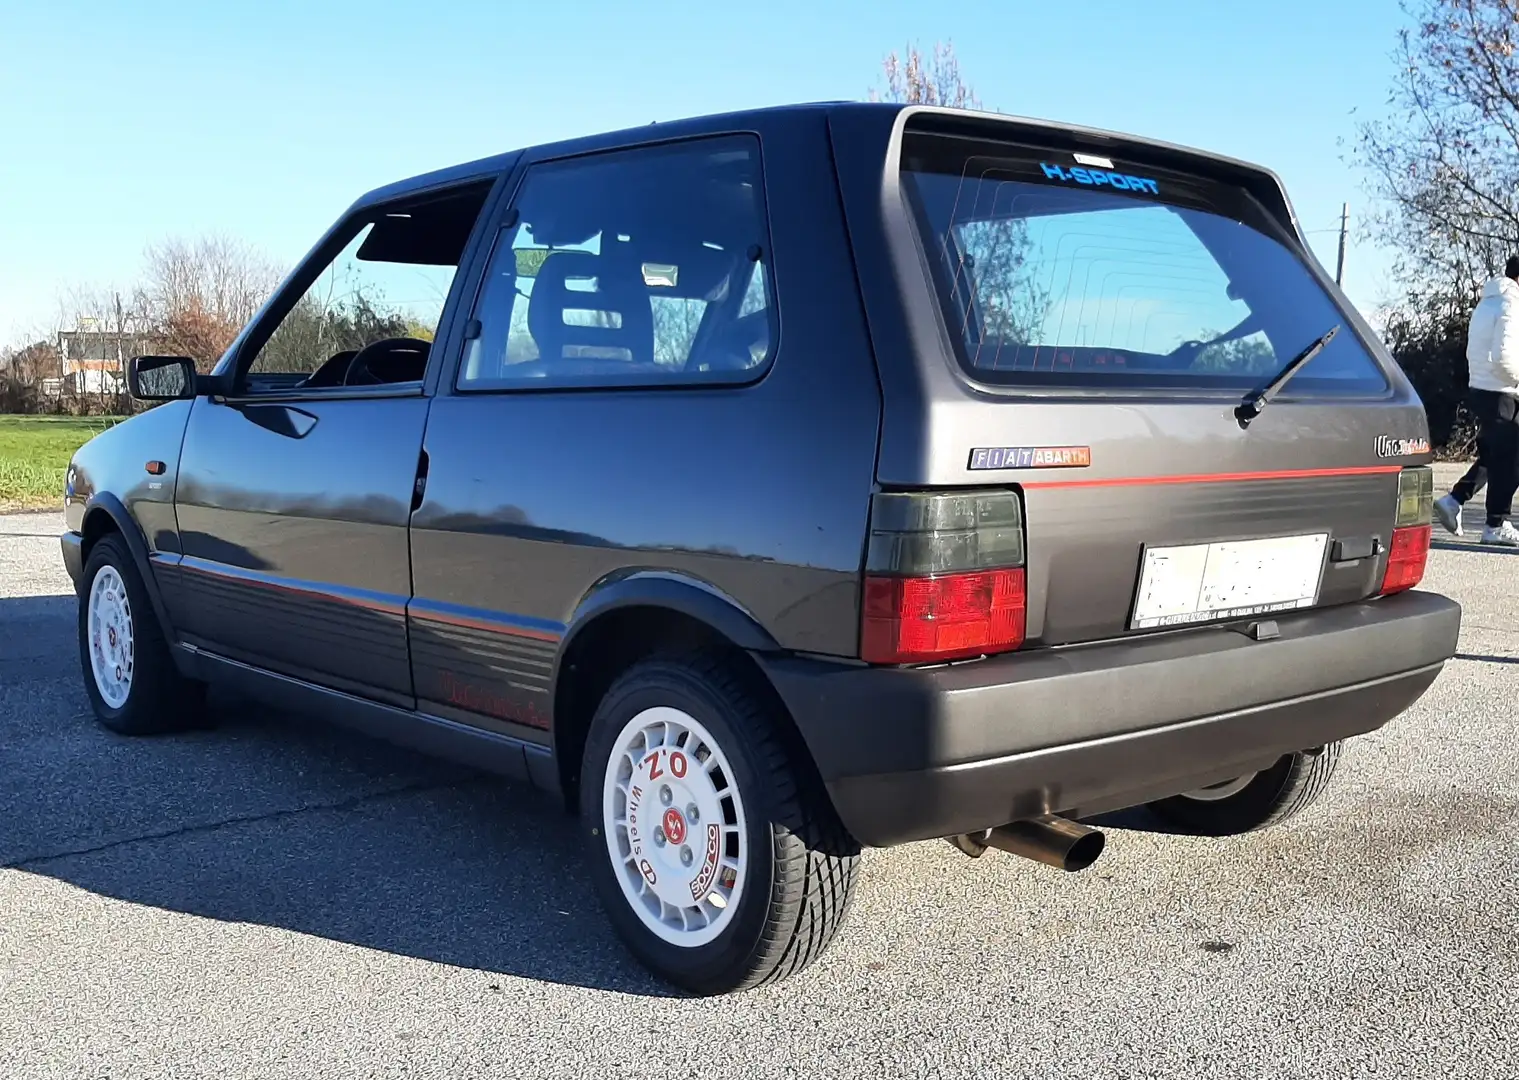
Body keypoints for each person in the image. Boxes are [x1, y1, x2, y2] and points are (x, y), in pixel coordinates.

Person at [1432, 255, 1519, 546]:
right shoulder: (1511, 303)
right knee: (1509, 460)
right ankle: (1495, 524)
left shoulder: (1489, 301)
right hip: (1503, 390)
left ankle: (1455, 500)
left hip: (1482, 387)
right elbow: (1505, 355)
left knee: (1496, 455)